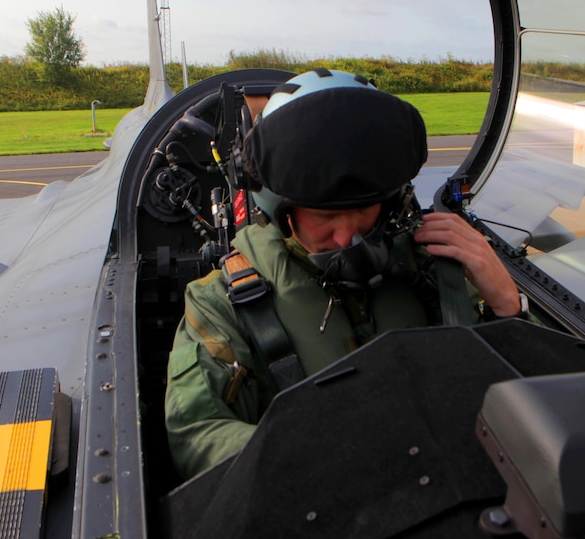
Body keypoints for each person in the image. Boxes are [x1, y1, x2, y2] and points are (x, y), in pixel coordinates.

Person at [164, 68, 524, 480]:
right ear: (279, 207)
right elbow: (196, 432)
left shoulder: (434, 265)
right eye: (325, 217)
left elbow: (523, 399)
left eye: (363, 211)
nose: (347, 235)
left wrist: (507, 308)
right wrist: (327, 459)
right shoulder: (221, 302)